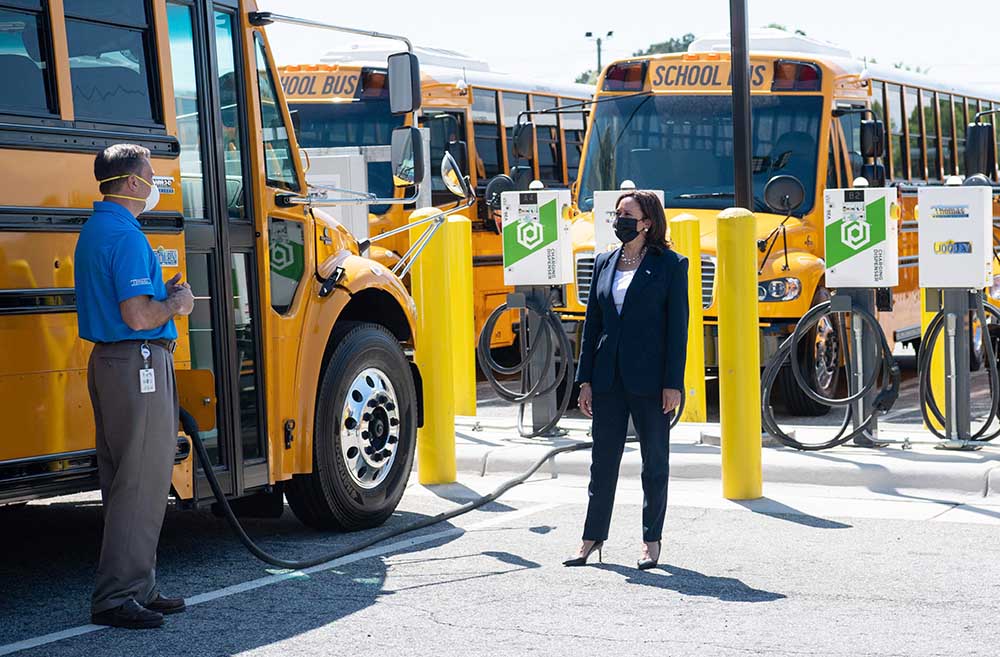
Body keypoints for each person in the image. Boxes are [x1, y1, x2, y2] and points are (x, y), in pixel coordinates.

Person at [74, 143, 195, 629]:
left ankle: (137, 586)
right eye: (150, 174)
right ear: (130, 183)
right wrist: (176, 305)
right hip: (137, 361)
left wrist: (159, 300)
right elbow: (136, 314)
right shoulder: (125, 236)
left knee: (126, 479)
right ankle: (118, 595)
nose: (155, 183)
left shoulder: (97, 229)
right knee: (140, 483)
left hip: (113, 362)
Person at [564, 190, 689, 569]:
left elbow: (677, 329)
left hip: (651, 380)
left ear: (647, 222)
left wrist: (673, 383)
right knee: (602, 462)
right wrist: (584, 380)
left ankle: (651, 541)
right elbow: (592, 325)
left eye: (627, 214)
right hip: (607, 378)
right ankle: (591, 538)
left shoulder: (670, 264)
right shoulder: (604, 262)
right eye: (617, 213)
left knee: (655, 462)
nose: (619, 220)